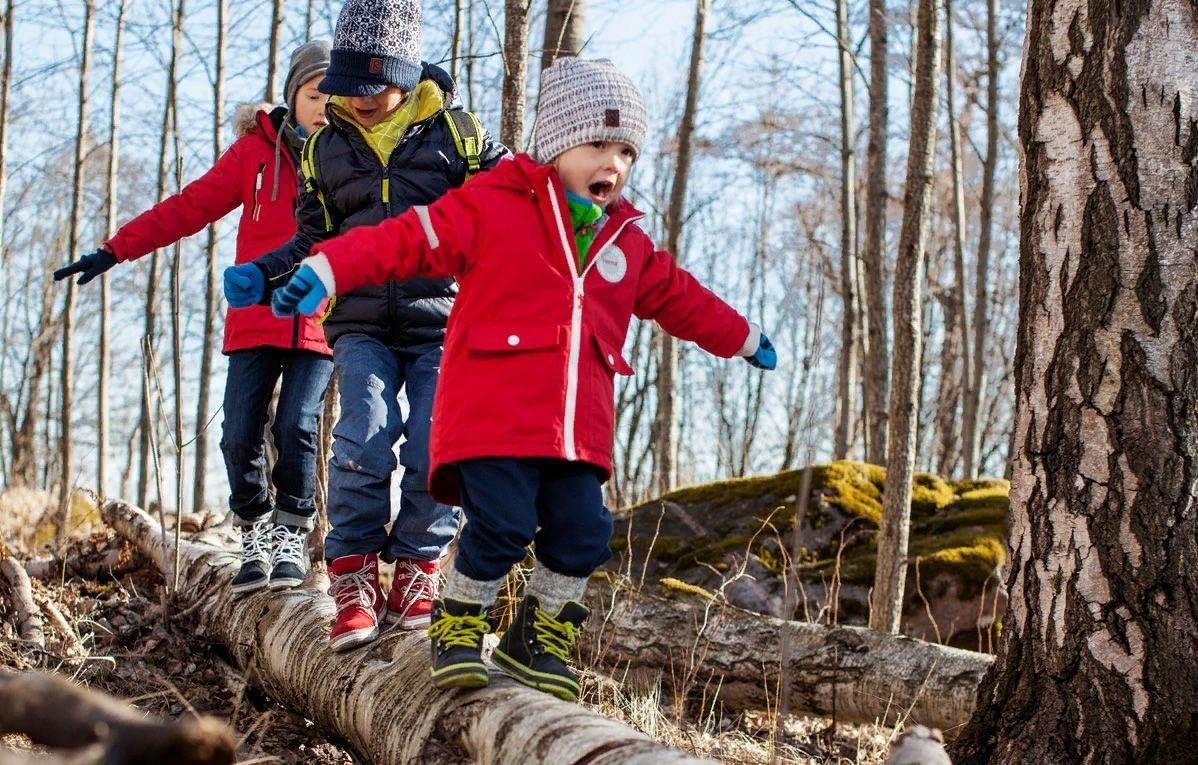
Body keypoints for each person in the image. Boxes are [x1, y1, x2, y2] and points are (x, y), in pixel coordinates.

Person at [269, 57, 778, 701]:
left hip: (574, 433)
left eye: (626, 151)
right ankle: (458, 623)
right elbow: (406, 239)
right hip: (492, 420)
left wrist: (744, 337)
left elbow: (682, 298)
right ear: (558, 145)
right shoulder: (494, 206)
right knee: (503, 524)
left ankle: (534, 636)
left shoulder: (625, 242)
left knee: (586, 533)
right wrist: (332, 268)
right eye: (598, 144)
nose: (614, 164)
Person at [224, 0, 507, 652]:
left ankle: (416, 568)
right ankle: (352, 574)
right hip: (357, 324)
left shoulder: (455, 133)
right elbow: (312, 236)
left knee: (441, 446)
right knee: (363, 436)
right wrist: (266, 273)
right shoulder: (328, 147)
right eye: (345, 85)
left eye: (371, 85)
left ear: (405, 74)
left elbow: (514, 191)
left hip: (442, 320)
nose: (356, 99)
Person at [54, 41, 336, 596]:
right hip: (254, 318)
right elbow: (190, 205)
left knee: (298, 426)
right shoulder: (253, 153)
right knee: (238, 435)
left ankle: (291, 534)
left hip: (316, 318)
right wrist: (115, 249)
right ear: (291, 98)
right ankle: (255, 527)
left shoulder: (347, 157)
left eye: (334, 94)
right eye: (313, 94)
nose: (325, 104)